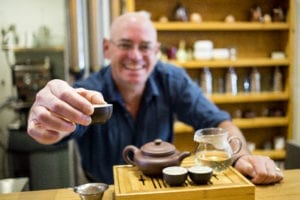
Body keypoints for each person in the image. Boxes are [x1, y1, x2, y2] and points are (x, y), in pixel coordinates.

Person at [27, 11, 283, 185]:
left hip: (161, 190)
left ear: (157, 51)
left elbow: (219, 122)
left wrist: (241, 157)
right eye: (125, 45)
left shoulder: (172, 79)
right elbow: (63, 128)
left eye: (145, 46)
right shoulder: (88, 90)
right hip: (105, 190)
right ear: (107, 48)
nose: (136, 56)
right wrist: (48, 123)